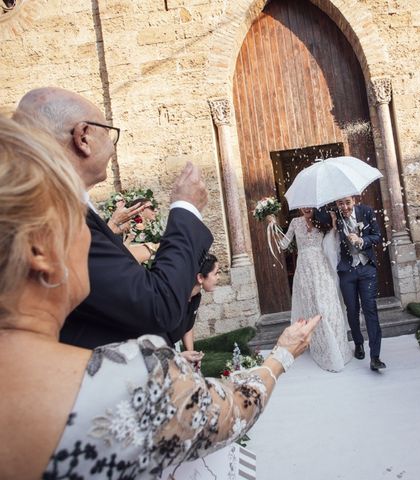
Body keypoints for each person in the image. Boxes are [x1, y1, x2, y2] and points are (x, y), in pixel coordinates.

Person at [0, 114, 321, 478]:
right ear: (40, 250)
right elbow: (230, 412)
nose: (97, 241)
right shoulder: (130, 378)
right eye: (82, 228)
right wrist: (282, 354)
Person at [14, 87, 214, 349]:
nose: (111, 146)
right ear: (83, 137)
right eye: (108, 133)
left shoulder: (58, 210)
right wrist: (186, 209)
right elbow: (156, 307)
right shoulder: (57, 219)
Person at [268, 208, 352, 372]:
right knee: (313, 309)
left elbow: (332, 244)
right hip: (304, 272)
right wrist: (273, 226)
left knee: (326, 307)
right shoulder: (295, 222)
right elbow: (283, 244)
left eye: (309, 205)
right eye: (303, 205)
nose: (306, 208)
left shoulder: (323, 220)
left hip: (321, 269)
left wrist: (334, 225)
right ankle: (322, 348)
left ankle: (337, 348)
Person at [334, 196, 386, 371]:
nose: (345, 207)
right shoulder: (334, 217)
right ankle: (358, 342)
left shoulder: (366, 211)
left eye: (347, 202)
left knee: (370, 309)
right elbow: (317, 219)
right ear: (336, 204)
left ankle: (375, 356)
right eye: (340, 203)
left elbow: (377, 236)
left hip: (367, 269)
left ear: (354, 200)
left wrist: (362, 240)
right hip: (346, 271)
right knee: (352, 309)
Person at [168, 253, 221, 370]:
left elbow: (188, 326)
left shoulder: (196, 297)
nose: (219, 277)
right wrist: (178, 356)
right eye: (216, 273)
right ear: (200, 277)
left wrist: (192, 355)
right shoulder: (174, 299)